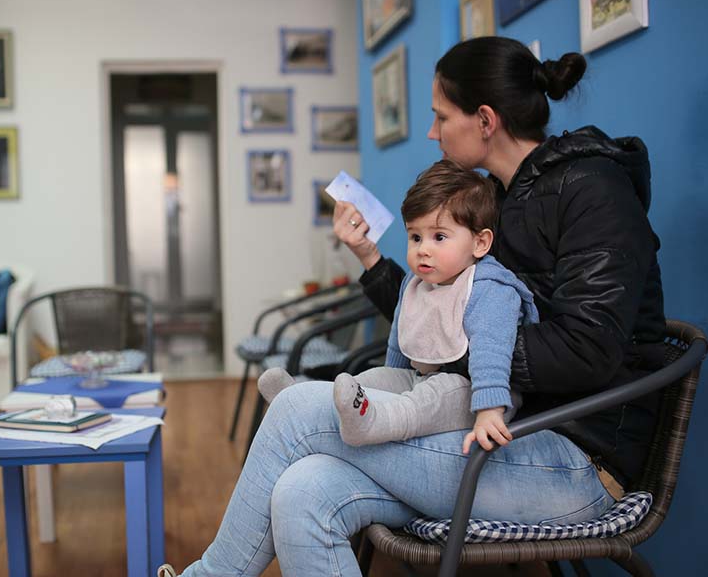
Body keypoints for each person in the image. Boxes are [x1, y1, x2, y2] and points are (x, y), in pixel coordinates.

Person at [157, 36, 665, 577]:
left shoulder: (592, 191)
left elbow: (586, 349)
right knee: (300, 492)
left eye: (440, 116)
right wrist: (370, 257)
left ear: (485, 120)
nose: (431, 132)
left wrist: (458, 351)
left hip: (575, 458)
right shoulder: (502, 196)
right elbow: (445, 312)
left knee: (295, 412)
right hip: (492, 431)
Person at [257, 160, 539, 452]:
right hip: (423, 379)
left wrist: (490, 410)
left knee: (436, 393)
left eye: (439, 237)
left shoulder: (490, 287)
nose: (423, 249)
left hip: (475, 394)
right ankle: (300, 402)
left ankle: (371, 424)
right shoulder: (415, 283)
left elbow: (491, 351)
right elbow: (399, 340)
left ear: (480, 243)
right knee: (369, 379)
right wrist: (389, 383)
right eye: (415, 237)